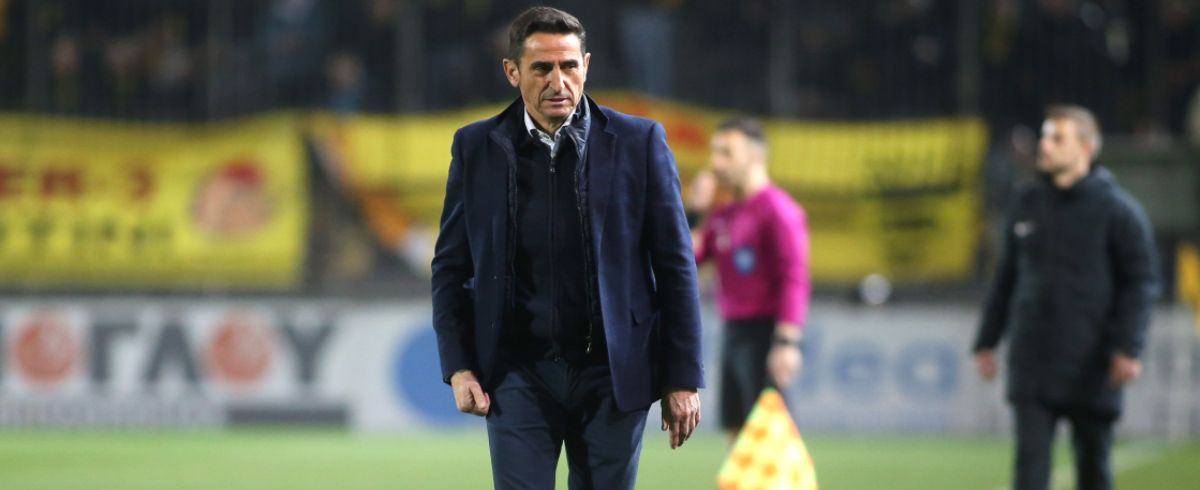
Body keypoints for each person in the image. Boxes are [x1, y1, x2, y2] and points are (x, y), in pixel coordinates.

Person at [430, 7, 704, 490]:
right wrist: (459, 366)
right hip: (517, 373)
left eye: (569, 66)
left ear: (586, 66)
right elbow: (451, 267)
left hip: (613, 375)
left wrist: (682, 375)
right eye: (541, 68)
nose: (558, 81)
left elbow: (676, 266)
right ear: (512, 71)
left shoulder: (639, 142)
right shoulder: (475, 147)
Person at [973, 105, 1159, 490]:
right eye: (1045, 136)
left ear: (1086, 148)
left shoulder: (1118, 212)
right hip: (1032, 363)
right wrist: (986, 340)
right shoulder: (1025, 203)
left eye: (1058, 138)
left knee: (1093, 471)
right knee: (1029, 474)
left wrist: (1128, 346)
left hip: (1092, 363)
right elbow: (1005, 278)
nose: (1044, 145)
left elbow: (1141, 283)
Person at [688, 118, 810, 441]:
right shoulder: (724, 214)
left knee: (770, 439)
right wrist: (695, 212)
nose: (716, 163)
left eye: (726, 153)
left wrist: (786, 343)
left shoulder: (779, 210)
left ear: (755, 157)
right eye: (715, 152)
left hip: (764, 334)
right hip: (733, 332)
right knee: (736, 434)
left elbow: (794, 278)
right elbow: (685, 262)